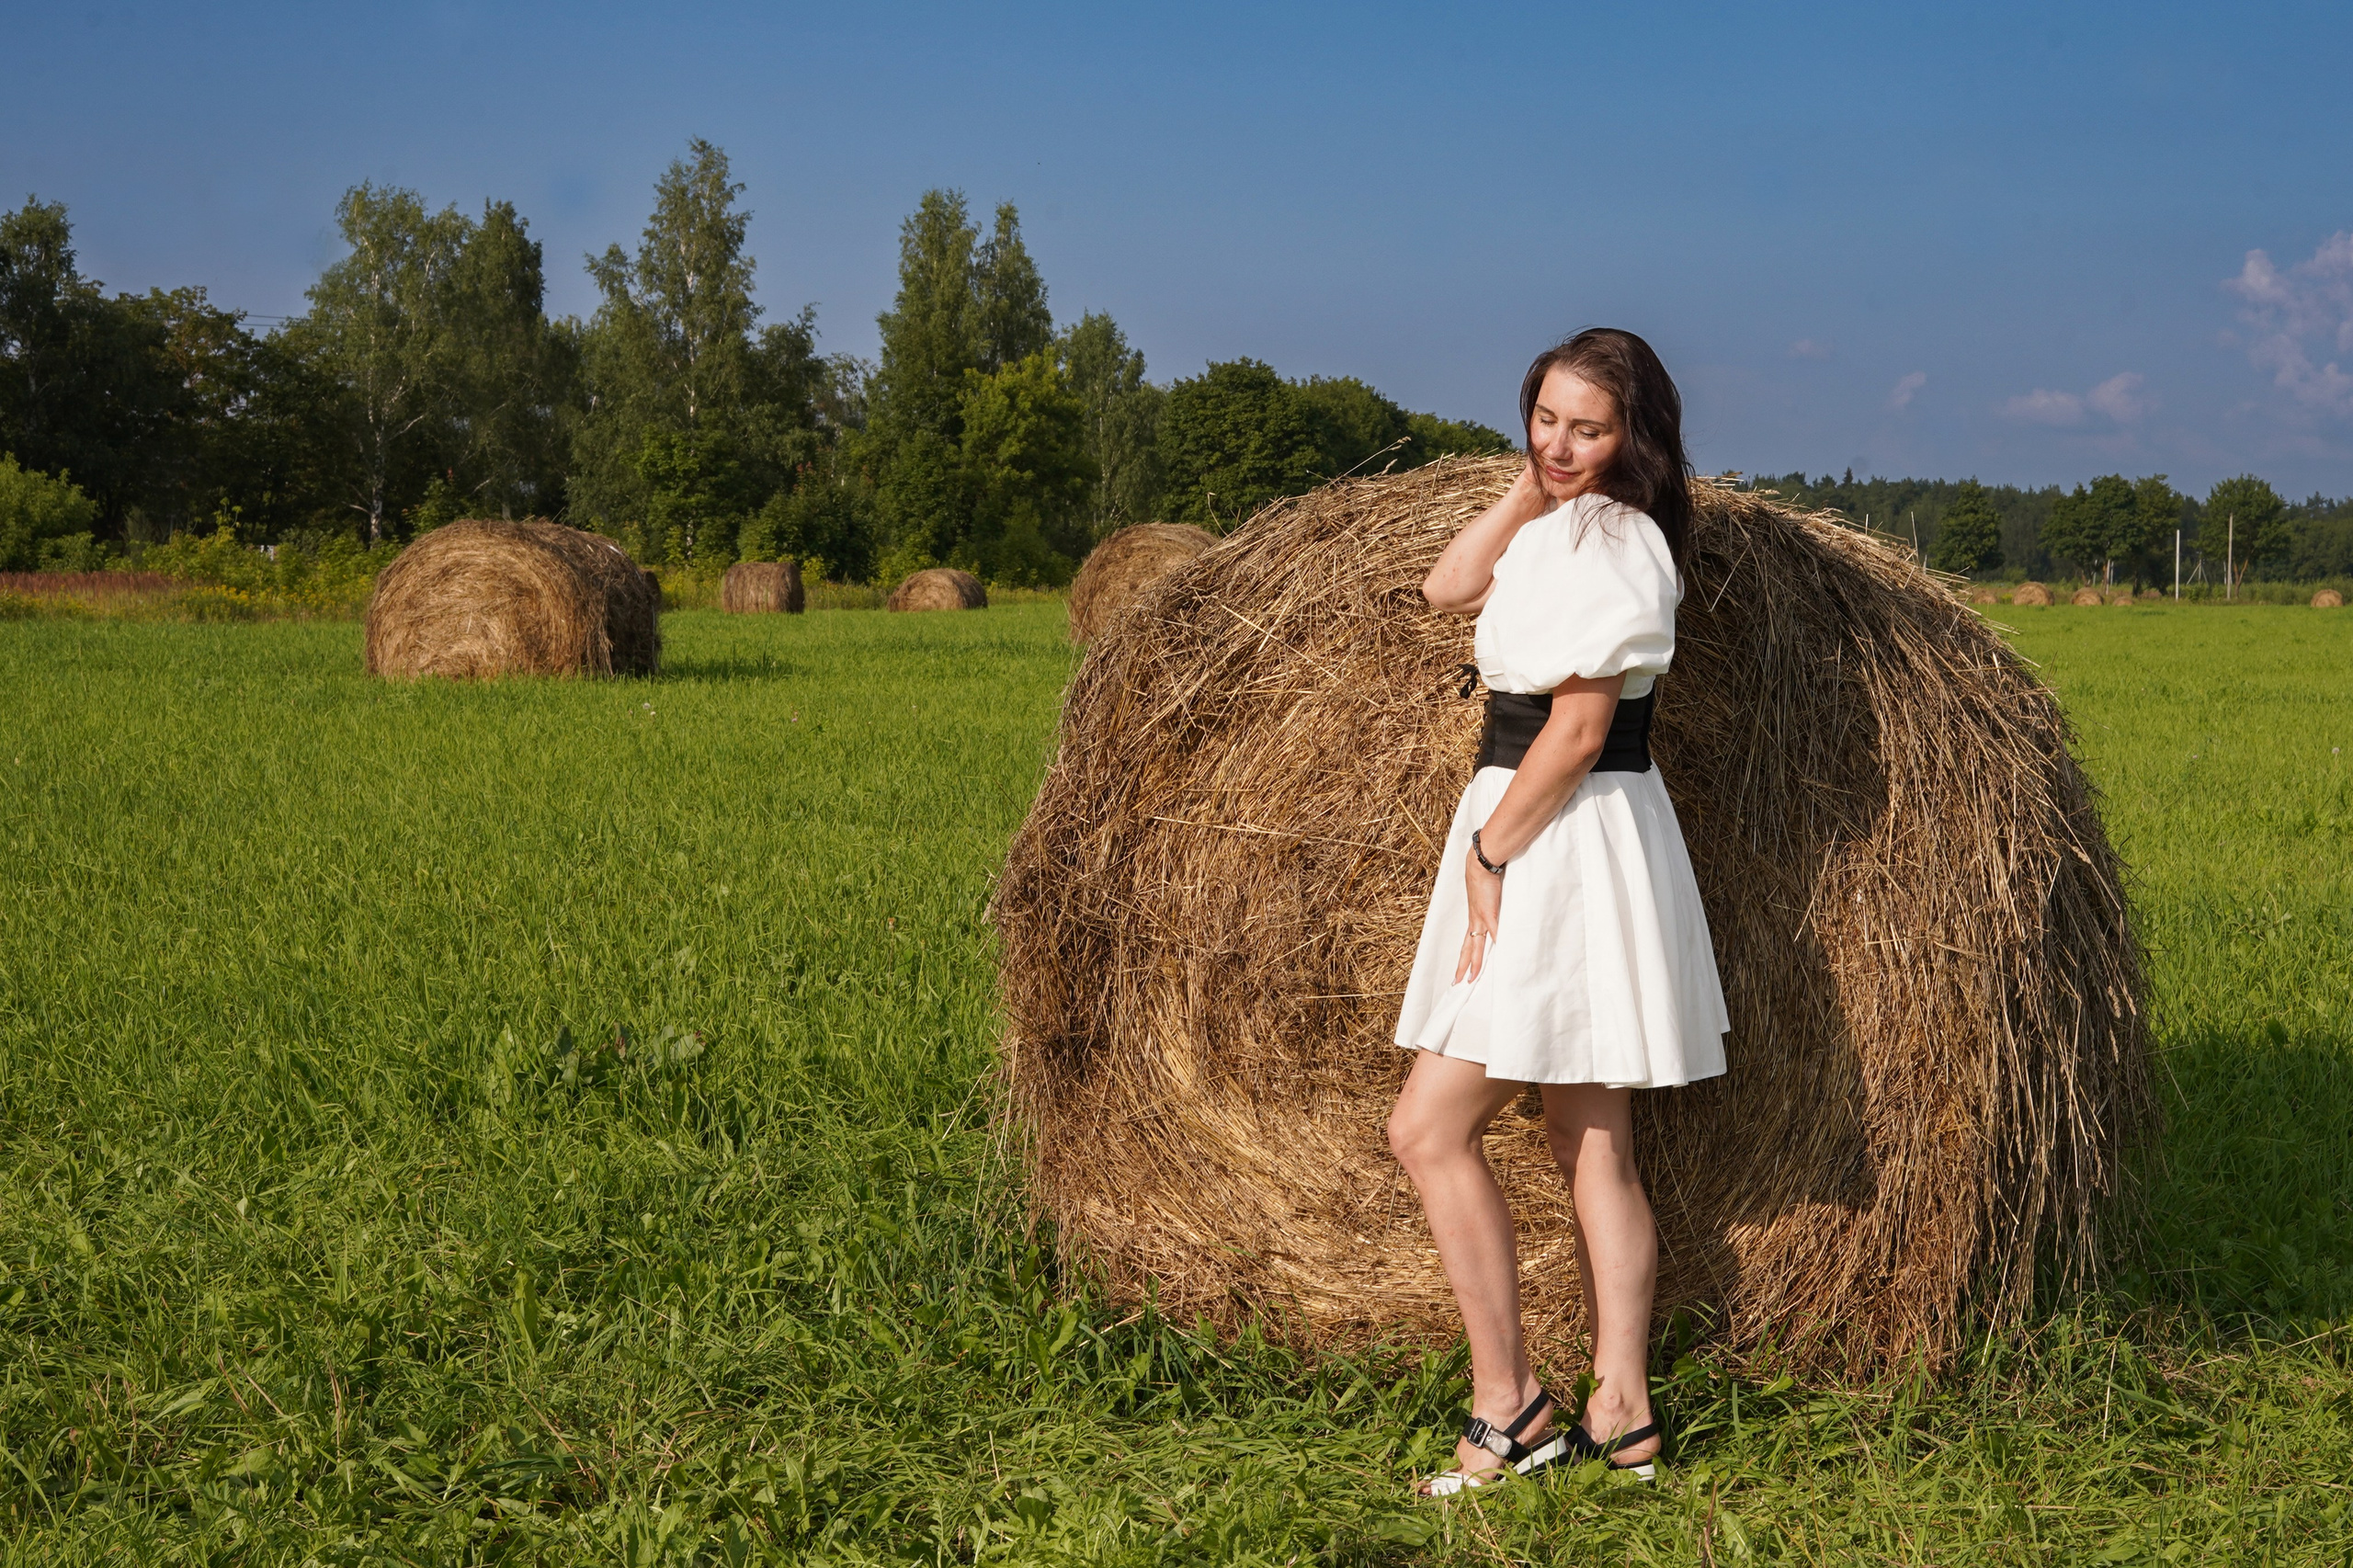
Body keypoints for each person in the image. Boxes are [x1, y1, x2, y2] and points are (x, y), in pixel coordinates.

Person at [1387, 327, 1729, 1496]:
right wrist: (1529, 482)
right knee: (1592, 1143)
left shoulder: (1616, 543)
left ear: (1638, 435)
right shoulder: (1563, 520)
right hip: (1562, 826)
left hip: (1552, 833)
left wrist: (1488, 848)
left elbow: (1579, 730)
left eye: (1590, 427)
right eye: (1545, 418)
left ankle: (1508, 1410)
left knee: (1428, 1128)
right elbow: (1444, 586)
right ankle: (1621, 1412)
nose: (1561, 443)